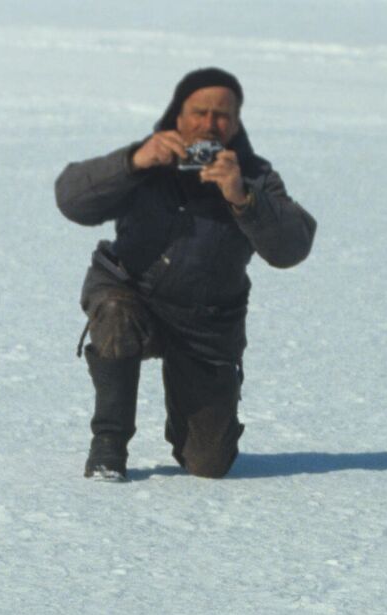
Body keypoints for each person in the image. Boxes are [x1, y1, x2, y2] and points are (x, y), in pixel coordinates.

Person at [55, 68, 317, 481]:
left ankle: (188, 420)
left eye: (222, 115)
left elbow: (293, 248)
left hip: (205, 322)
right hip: (131, 293)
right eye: (199, 112)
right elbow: (70, 198)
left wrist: (243, 199)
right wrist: (132, 163)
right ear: (179, 114)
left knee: (209, 464)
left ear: (236, 122)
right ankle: (109, 443)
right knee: (115, 313)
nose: (209, 124)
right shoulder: (145, 160)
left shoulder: (255, 176)